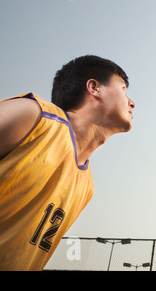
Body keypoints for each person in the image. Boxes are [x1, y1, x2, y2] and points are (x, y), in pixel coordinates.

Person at [0, 55, 135, 270]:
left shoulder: (86, 187)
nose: (131, 102)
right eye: (123, 89)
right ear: (94, 87)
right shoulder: (35, 116)